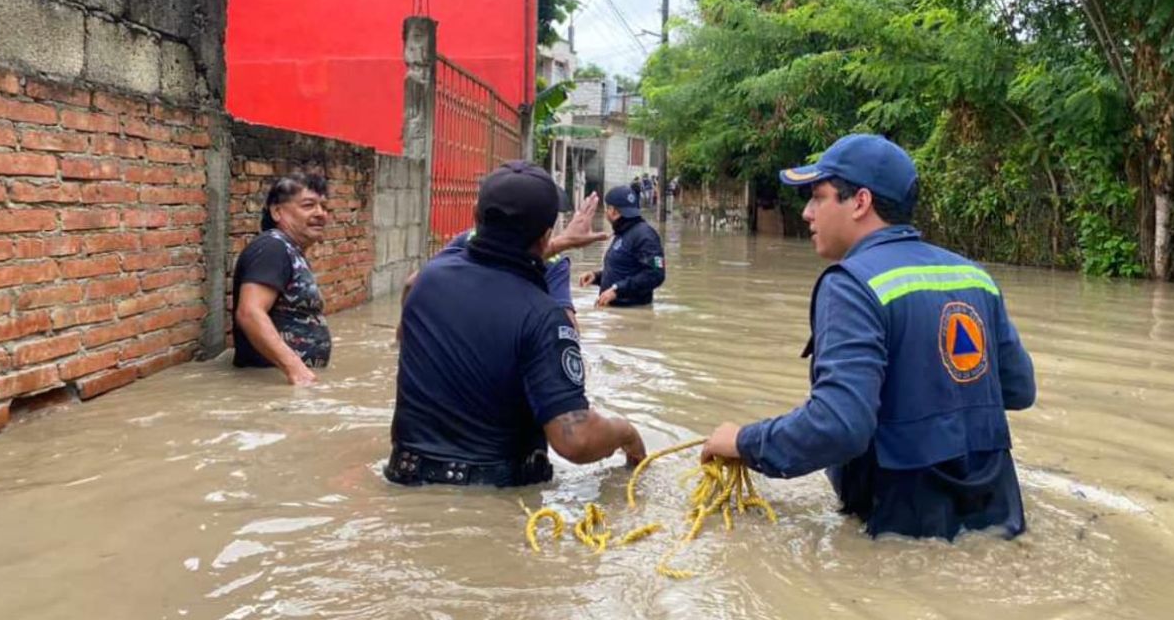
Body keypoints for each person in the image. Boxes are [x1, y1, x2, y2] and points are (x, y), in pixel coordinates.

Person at [701, 134, 1037, 540]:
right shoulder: (973, 276)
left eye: (818, 197)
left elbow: (838, 425)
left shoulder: (852, 284)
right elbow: (1018, 390)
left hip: (906, 529)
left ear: (860, 202)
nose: (807, 213)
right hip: (1000, 513)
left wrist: (742, 441)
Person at [386, 161, 646, 487]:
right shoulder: (544, 316)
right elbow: (575, 441)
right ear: (546, 235)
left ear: (474, 215)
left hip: (401, 478)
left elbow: (413, 290)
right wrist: (626, 432)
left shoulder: (425, 283)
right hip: (492, 500)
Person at [395, 188, 609, 342]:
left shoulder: (467, 239)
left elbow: (412, 284)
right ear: (546, 233)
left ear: (477, 215)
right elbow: (568, 326)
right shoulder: (555, 263)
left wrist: (402, 342)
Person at [232, 173, 332, 386]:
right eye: (308, 205)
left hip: (282, 383)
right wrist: (295, 369)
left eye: (324, 207)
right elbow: (249, 312)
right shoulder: (273, 247)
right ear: (277, 211)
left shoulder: (288, 249)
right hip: (270, 385)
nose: (321, 213)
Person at [578, 185, 665, 308]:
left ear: (613, 211)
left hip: (633, 316)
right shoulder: (623, 233)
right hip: (614, 315)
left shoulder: (645, 235)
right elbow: (623, 270)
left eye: (607, 208)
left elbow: (655, 274)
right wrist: (596, 277)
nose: (606, 213)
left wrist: (617, 290)